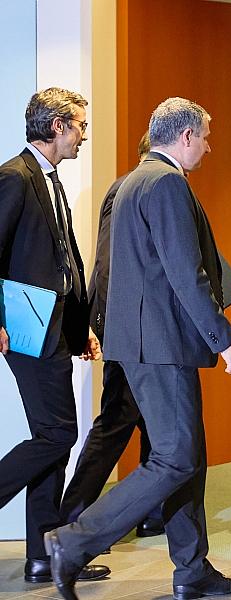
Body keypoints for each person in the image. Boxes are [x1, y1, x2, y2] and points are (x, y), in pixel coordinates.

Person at [42, 97, 231, 600]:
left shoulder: (133, 181)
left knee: (186, 456)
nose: (208, 147)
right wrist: (225, 338)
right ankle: (73, 542)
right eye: (205, 137)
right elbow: (185, 273)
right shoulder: (166, 183)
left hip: (144, 343)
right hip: (161, 345)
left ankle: (192, 570)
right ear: (185, 136)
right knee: (176, 457)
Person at [0, 87, 109, 584]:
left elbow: (62, 261)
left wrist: (79, 327)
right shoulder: (14, 177)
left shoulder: (49, 178)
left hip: (57, 327)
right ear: (57, 126)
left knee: (55, 439)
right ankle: (46, 551)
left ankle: (43, 556)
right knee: (59, 434)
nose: (84, 135)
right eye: (80, 125)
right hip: (27, 329)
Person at [59, 132, 164, 538]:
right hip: (128, 326)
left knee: (154, 421)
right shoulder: (134, 189)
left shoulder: (132, 188)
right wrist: (102, 323)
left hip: (137, 325)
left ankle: (154, 512)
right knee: (119, 418)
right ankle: (73, 520)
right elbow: (107, 262)